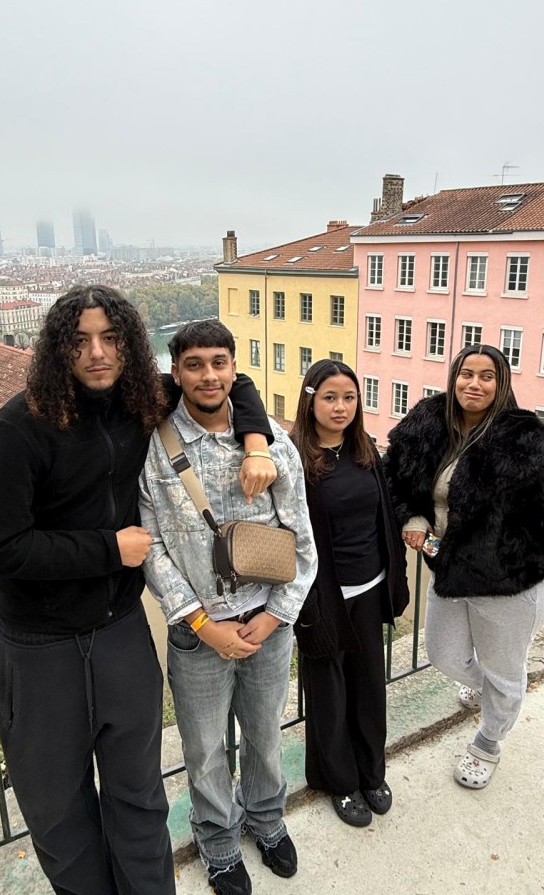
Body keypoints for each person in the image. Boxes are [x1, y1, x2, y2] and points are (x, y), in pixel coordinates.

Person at [0, 286, 276, 895]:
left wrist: (256, 442)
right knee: (59, 808)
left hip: (118, 631)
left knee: (138, 794)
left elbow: (231, 384)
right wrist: (109, 549)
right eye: (81, 340)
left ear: (130, 346)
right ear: (58, 348)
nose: (97, 353)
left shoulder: (142, 400)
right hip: (40, 645)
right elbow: (0, 548)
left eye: (110, 338)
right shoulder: (21, 424)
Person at [139, 320, 317, 895]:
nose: (208, 375)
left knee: (265, 735)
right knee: (204, 750)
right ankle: (217, 840)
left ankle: (267, 819)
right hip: (197, 634)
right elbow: (153, 547)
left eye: (219, 362)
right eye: (194, 364)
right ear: (176, 372)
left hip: (266, 622)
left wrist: (275, 616)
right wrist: (200, 623)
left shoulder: (273, 445)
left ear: (234, 369)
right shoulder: (156, 448)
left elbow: (302, 540)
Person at [384, 344, 544, 789]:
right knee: (442, 653)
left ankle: (489, 740)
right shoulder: (428, 421)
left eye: (487, 376)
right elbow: (394, 477)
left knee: (504, 669)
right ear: (454, 378)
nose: (474, 384)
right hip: (449, 570)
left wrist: (493, 558)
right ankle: (499, 693)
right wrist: (412, 516)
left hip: (511, 583)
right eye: (467, 374)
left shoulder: (524, 437)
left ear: (501, 384)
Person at [289, 360, 409, 828]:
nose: (340, 407)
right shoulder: (294, 458)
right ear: (310, 400)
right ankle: (339, 782)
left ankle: (371, 772)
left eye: (349, 398)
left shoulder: (365, 450)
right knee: (328, 694)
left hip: (370, 587)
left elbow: (385, 515)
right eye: (329, 398)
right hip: (322, 597)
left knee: (368, 688)